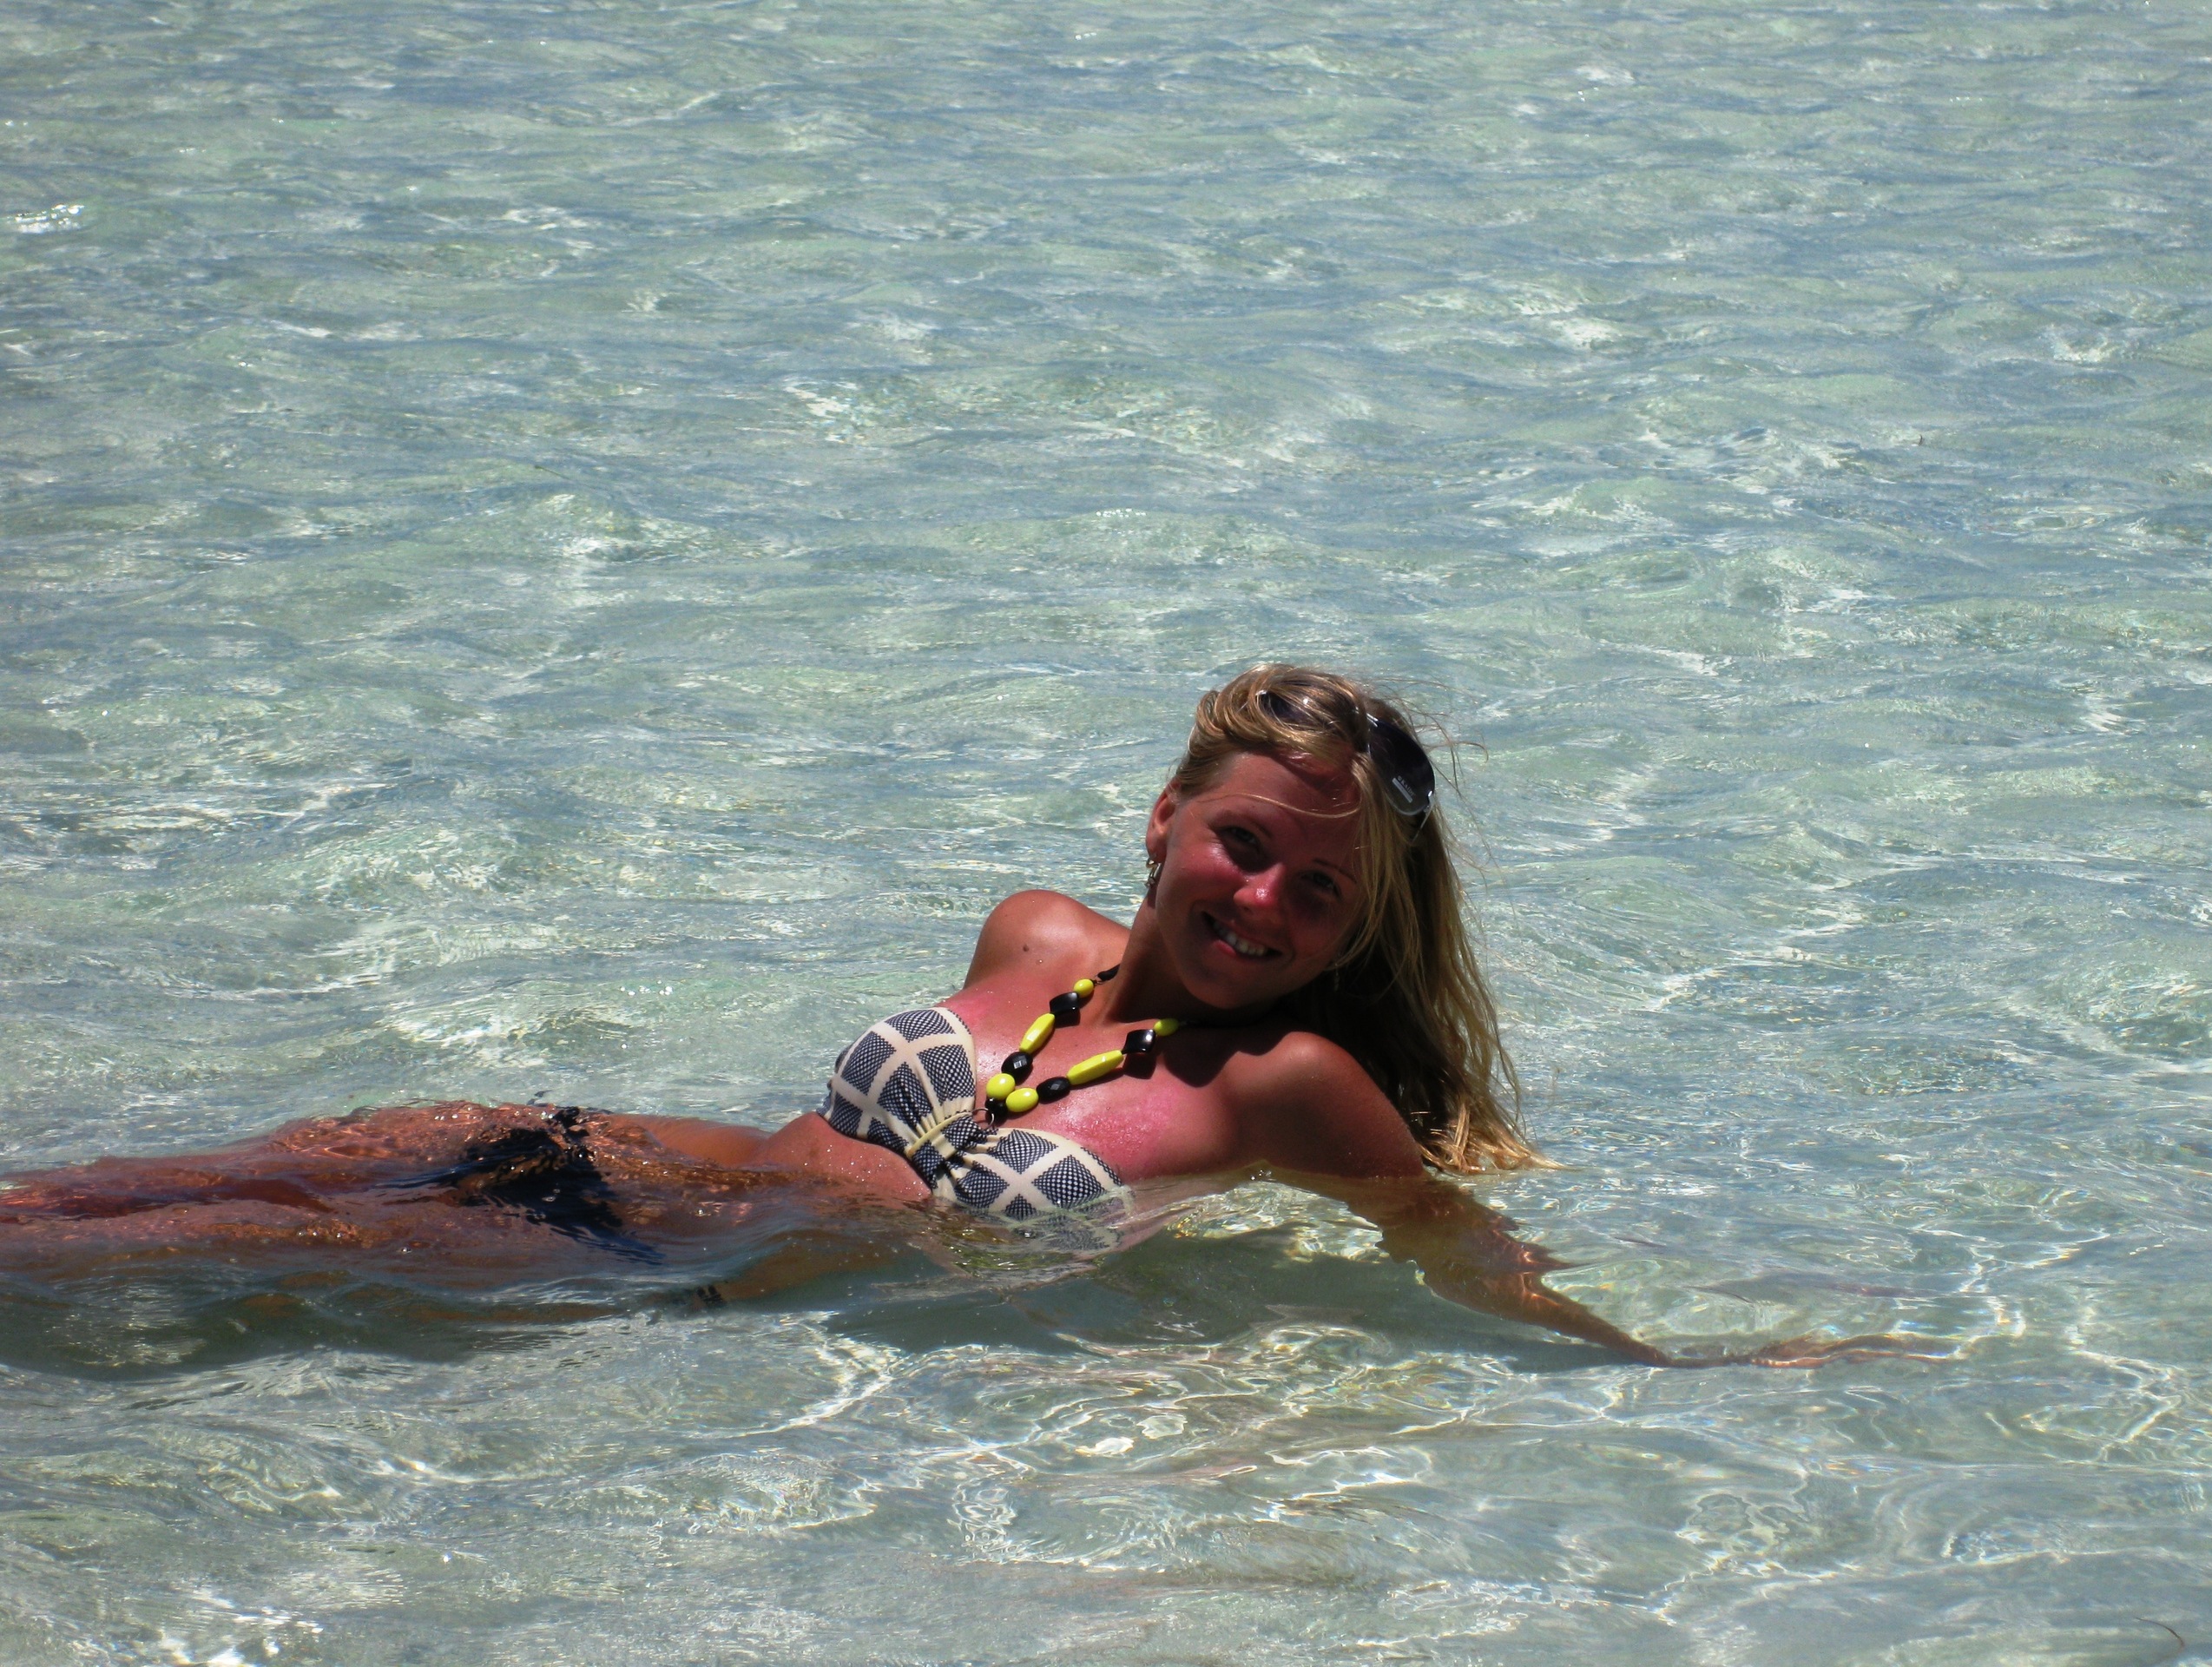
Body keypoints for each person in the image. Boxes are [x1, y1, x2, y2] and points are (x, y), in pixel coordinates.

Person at [0, 666, 1899, 1367]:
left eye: (1317, 894)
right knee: (235, 1171)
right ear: (1165, 820)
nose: (1264, 899)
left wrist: (1669, 1366)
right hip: (618, 1152)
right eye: (1242, 845)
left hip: (689, 1270)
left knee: (248, 1248)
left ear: (1347, 939)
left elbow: (1450, 1247)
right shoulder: (1029, 926)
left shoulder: (1293, 1086)